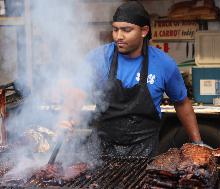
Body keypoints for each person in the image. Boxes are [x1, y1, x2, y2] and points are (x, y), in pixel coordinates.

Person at [63, 1, 203, 157]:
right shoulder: (98, 58)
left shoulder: (164, 64)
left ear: (144, 31)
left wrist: (198, 144)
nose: (118, 36)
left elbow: (182, 103)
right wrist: (67, 118)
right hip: (101, 148)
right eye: (115, 30)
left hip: (144, 150)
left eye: (126, 30)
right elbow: (78, 92)